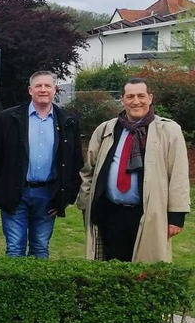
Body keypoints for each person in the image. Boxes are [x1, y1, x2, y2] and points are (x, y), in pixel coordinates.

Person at [78, 78, 190, 262]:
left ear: (150, 98)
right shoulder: (106, 129)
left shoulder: (169, 131)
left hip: (148, 213)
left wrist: (176, 217)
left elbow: (178, 175)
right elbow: (89, 170)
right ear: (122, 99)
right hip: (110, 213)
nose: (135, 101)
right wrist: (85, 204)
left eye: (141, 96)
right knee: (109, 269)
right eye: (130, 96)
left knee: (145, 271)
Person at [0, 71, 83, 258]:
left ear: (55, 90)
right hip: (15, 192)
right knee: (14, 248)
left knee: (40, 248)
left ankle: (37, 288)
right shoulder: (9, 118)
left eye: (47, 86)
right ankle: (14, 288)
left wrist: (67, 197)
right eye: (38, 86)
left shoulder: (68, 121)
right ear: (30, 90)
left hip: (48, 195)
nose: (43, 90)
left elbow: (75, 162)